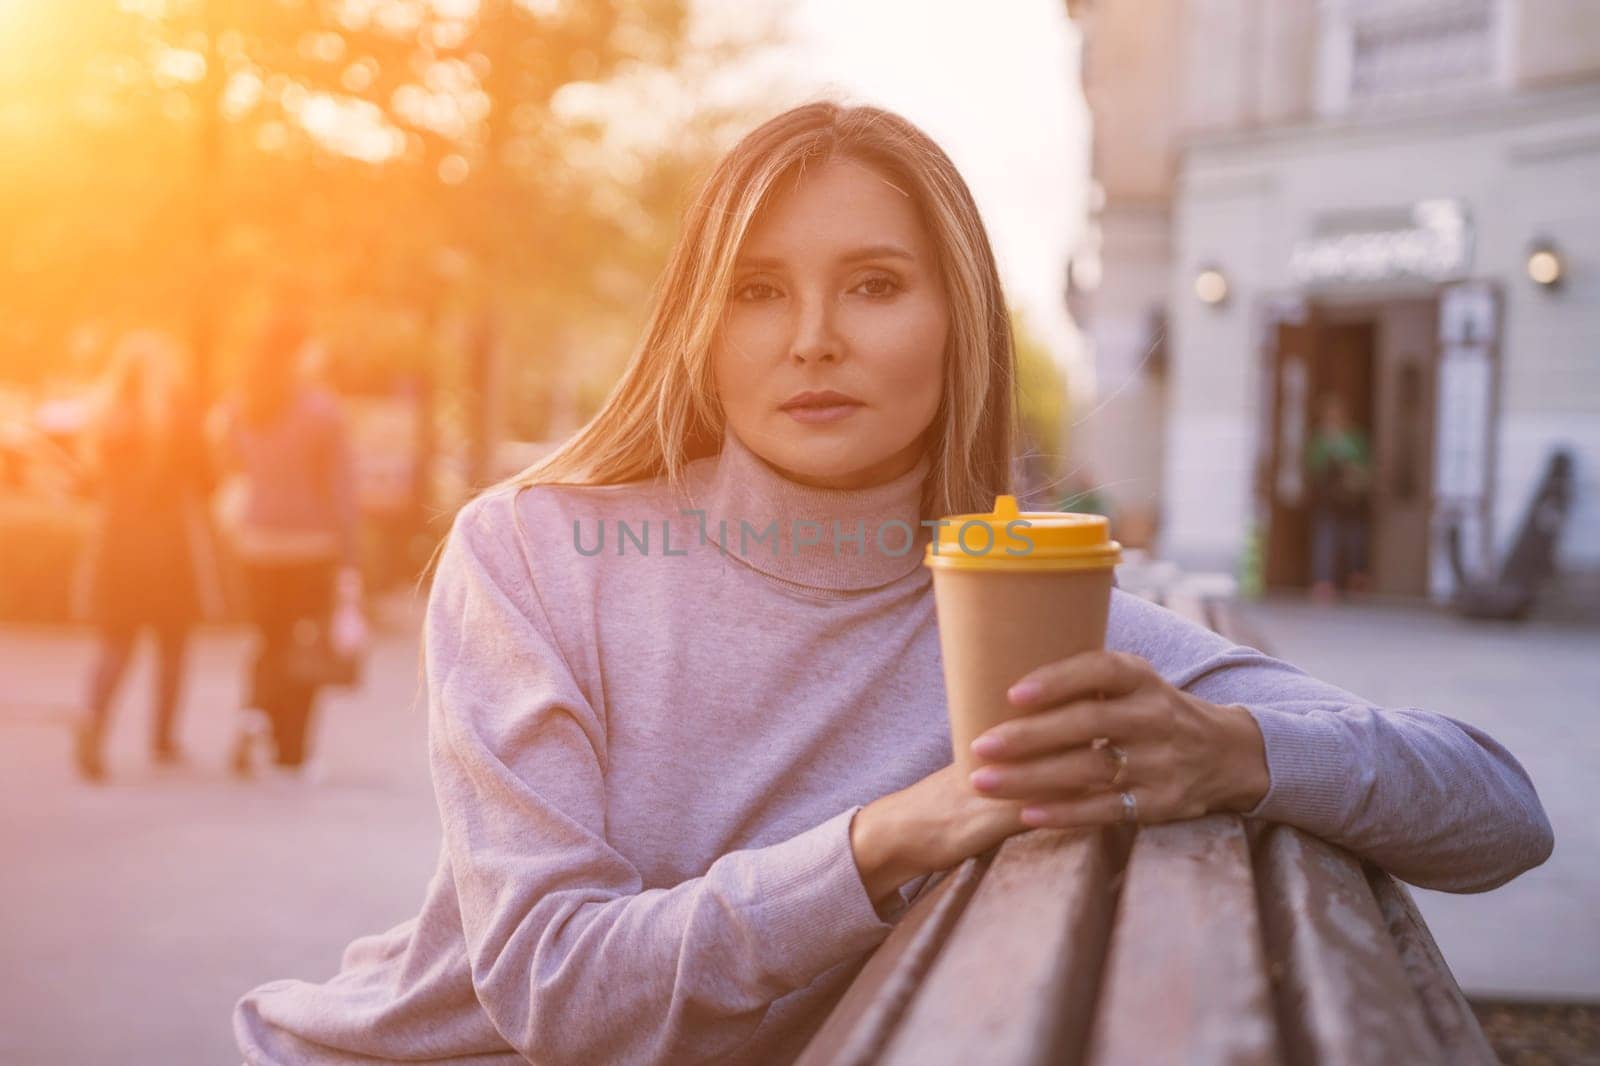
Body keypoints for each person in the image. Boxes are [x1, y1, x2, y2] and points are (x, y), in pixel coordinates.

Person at [233, 103, 1552, 1065]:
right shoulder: (533, 551)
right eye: (758, 291)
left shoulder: (1029, 612)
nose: (813, 338)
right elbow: (557, 990)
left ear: (956, 320)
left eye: (872, 284)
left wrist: (1234, 751)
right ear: (700, 326)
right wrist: (890, 836)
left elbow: (1499, 809)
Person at [215, 315, 359, 778]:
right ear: (298, 353)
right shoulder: (322, 412)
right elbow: (341, 492)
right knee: (302, 645)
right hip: (310, 546)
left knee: (268, 639)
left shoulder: (243, 407)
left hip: (256, 543)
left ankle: (254, 713)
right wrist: (352, 559)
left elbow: (229, 467)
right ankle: (291, 750)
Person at [74, 330, 217, 781]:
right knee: (173, 644)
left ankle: (93, 720)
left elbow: (86, 484)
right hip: (168, 547)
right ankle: (163, 739)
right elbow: (209, 480)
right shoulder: (177, 419)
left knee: (115, 644)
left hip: (115, 544)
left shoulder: (106, 421)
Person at [1306, 392, 1372, 602]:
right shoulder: (1321, 440)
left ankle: (1357, 579)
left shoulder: (1355, 438)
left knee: (1355, 540)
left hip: (1352, 500)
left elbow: (1364, 464)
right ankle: (1324, 583)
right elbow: (1314, 465)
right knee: (1326, 539)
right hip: (1329, 500)